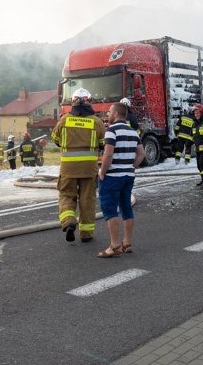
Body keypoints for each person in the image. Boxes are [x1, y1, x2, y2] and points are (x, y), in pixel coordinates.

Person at [52, 88, 106, 243]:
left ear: (73, 101)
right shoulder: (97, 122)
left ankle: (69, 222)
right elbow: (103, 143)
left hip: (68, 168)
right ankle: (86, 234)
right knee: (87, 200)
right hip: (89, 169)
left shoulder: (64, 120)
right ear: (89, 101)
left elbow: (55, 139)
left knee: (66, 195)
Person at [96, 102, 144, 258]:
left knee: (110, 209)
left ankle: (115, 245)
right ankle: (127, 243)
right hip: (128, 177)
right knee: (126, 208)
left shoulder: (111, 131)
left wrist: (102, 172)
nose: (108, 114)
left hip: (112, 177)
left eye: (110, 111)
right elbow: (142, 154)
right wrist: (132, 167)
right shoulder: (133, 132)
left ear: (116, 114)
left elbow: (108, 155)